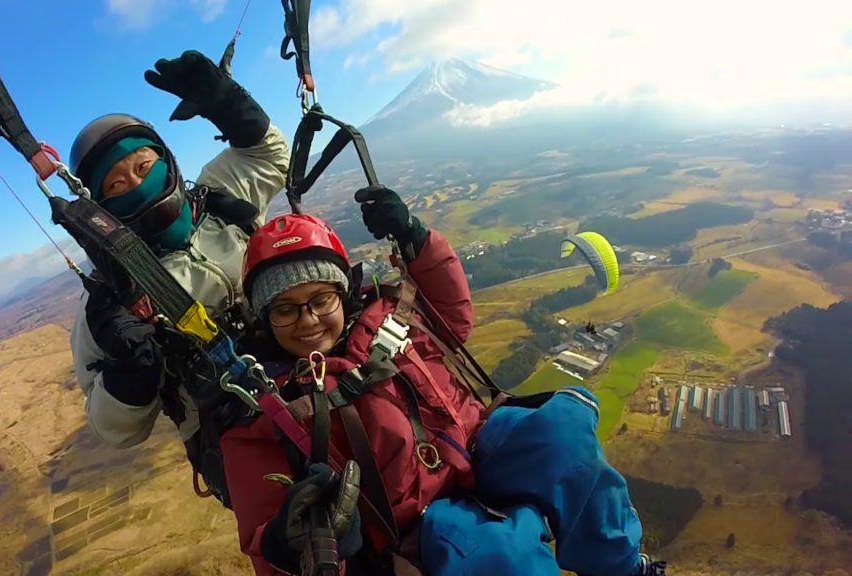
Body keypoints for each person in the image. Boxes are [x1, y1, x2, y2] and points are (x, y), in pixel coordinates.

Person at [223, 186, 667, 576]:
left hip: (480, 442)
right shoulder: (267, 410)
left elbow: (455, 320)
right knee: (498, 557)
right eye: (285, 309)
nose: (308, 320)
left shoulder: (388, 316)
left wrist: (417, 240)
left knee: (565, 430)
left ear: (342, 292)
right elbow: (264, 535)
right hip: (421, 520)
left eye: (321, 299)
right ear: (264, 317)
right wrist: (288, 540)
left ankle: (622, 567)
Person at [68, 50, 289, 500]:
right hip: (236, 439)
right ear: (102, 205)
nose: (137, 184)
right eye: (116, 184)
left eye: (143, 166)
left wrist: (229, 105)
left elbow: (269, 156)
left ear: (166, 159)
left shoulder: (218, 197)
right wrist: (130, 373)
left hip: (307, 362)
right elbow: (113, 429)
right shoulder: (111, 295)